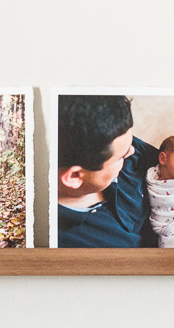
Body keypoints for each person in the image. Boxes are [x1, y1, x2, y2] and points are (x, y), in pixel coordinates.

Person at [54, 95, 157, 248]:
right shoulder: (69, 244)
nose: (133, 151)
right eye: (121, 157)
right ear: (74, 176)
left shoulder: (110, 136)